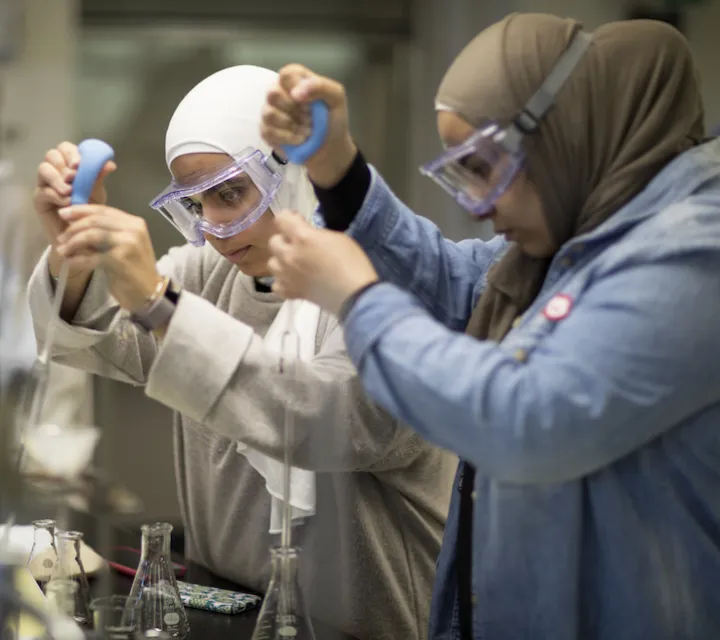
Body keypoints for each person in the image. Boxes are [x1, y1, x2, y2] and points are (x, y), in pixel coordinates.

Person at [259, 13, 720, 640]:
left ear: (563, 137)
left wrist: (358, 299)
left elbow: (528, 415)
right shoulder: (575, 241)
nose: (480, 205)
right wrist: (338, 170)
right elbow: (455, 279)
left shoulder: (692, 253)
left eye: (485, 169)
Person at [26, 65, 457, 640]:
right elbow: (101, 338)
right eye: (197, 204)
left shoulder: (385, 275)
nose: (217, 229)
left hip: (377, 627)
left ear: (294, 170)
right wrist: (75, 259)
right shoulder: (206, 271)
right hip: (235, 612)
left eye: (231, 193)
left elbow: (344, 419)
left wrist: (161, 305)